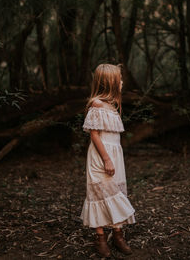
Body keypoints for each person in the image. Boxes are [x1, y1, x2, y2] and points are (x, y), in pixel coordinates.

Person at [80, 64, 135, 257]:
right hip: (101, 156)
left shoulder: (112, 106)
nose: (121, 82)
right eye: (118, 79)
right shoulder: (96, 104)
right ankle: (100, 237)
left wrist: (114, 158)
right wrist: (107, 159)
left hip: (115, 155)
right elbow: (94, 135)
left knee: (117, 191)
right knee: (101, 192)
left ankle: (118, 235)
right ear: (109, 82)